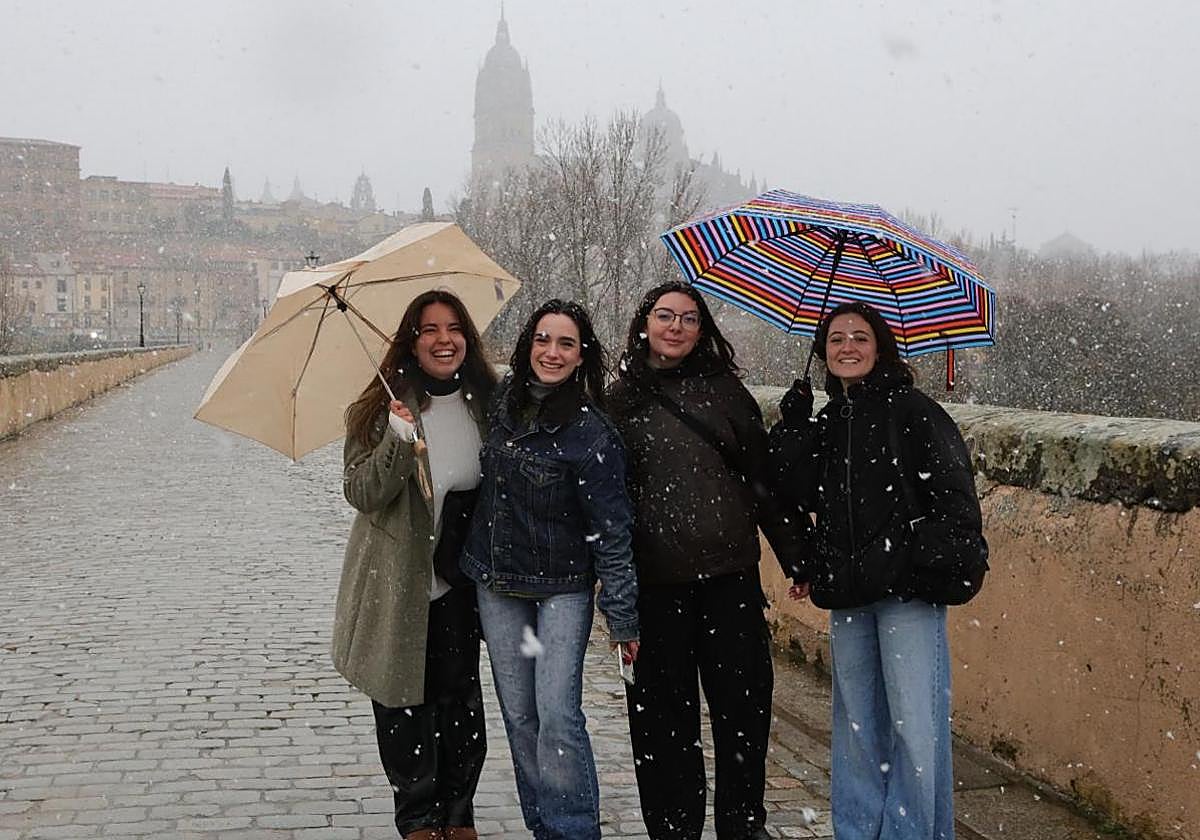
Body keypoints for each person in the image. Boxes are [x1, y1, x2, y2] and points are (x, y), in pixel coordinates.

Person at [768, 301, 985, 840]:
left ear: (881, 347)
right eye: (836, 338)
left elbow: (955, 500)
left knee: (915, 729)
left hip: (906, 594)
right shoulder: (830, 418)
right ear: (823, 351)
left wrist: (910, 559)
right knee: (857, 728)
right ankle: (858, 830)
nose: (847, 347)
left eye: (859, 337)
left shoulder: (914, 412)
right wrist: (793, 425)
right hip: (849, 594)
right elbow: (790, 489)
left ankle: (911, 833)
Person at [606, 281, 807, 840]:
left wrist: (796, 557)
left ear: (703, 330)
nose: (675, 327)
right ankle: (674, 829)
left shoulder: (726, 393)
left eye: (689, 319)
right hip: (655, 586)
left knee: (743, 715)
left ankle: (743, 826)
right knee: (662, 725)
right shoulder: (618, 400)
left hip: (728, 583)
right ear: (644, 322)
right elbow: (602, 499)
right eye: (665, 316)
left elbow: (762, 483)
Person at [460, 299, 639, 840]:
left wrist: (623, 618)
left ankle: (573, 830)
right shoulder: (499, 407)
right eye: (543, 339)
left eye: (565, 343)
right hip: (498, 584)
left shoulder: (591, 434)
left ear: (582, 354)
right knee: (519, 717)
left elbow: (613, 531)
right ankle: (544, 827)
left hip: (562, 588)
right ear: (527, 344)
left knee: (558, 714)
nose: (552, 352)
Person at [334, 289, 497, 840]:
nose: (443, 340)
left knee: (460, 703)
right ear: (412, 339)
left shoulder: (489, 404)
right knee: (403, 704)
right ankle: (418, 818)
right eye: (429, 329)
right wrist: (399, 439)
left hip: (460, 581)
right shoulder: (381, 408)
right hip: (399, 584)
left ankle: (459, 813)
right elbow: (364, 491)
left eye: (453, 328)